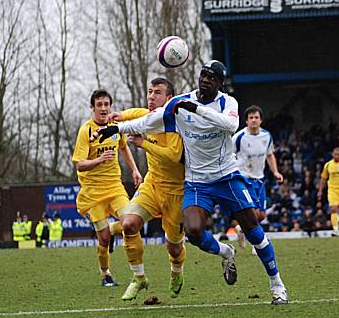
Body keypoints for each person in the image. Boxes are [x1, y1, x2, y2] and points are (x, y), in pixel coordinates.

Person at [96, 60, 288, 305]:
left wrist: (196, 109)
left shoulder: (227, 102)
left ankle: (277, 285)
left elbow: (231, 125)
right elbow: (148, 121)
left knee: (253, 230)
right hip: (197, 182)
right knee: (194, 232)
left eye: (212, 77)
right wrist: (116, 129)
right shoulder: (179, 104)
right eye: (204, 75)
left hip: (227, 177)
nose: (206, 80)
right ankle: (225, 251)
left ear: (219, 84)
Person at [105, 78, 186, 301]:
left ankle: (177, 271)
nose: (151, 96)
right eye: (150, 92)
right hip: (152, 185)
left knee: (174, 248)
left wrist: (144, 144)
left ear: (169, 99)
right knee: (129, 224)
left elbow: (174, 157)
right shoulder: (146, 115)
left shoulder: (177, 124)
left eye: (157, 93)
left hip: (176, 192)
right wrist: (119, 115)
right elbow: (135, 113)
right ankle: (139, 278)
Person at [72, 89, 142, 287]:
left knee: (132, 222)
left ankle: (112, 229)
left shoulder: (114, 126)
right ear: (92, 107)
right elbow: (79, 164)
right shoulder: (86, 131)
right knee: (103, 238)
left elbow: (123, 147)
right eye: (99, 105)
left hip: (114, 188)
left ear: (110, 106)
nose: (103, 108)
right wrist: (100, 160)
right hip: (93, 193)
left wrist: (135, 170)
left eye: (106, 104)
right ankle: (105, 274)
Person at [231, 105, 284, 253]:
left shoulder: (266, 136)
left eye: (256, 117)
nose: (253, 120)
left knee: (261, 215)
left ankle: (241, 228)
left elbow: (270, 155)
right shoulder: (238, 137)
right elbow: (229, 155)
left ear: (261, 120)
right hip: (243, 178)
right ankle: (257, 243)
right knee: (252, 213)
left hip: (259, 179)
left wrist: (276, 172)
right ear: (246, 121)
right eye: (251, 118)